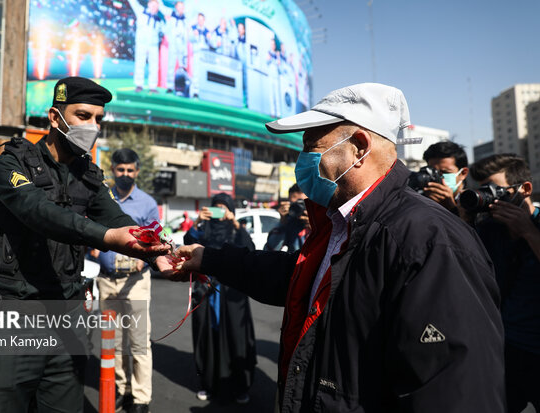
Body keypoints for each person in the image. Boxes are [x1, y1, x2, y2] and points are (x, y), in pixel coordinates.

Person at [175, 83, 505, 412]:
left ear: (359, 147)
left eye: (312, 147)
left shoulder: (428, 239)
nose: (303, 161)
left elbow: (456, 391)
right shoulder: (340, 222)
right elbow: (296, 277)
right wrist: (208, 258)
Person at [0, 77, 170, 413]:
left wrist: (154, 250)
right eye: (83, 115)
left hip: (66, 316)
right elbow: (39, 212)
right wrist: (106, 238)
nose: (92, 126)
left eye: (98, 119)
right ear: (54, 117)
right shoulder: (12, 162)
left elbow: (116, 219)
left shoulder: (89, 175)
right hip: (10, 313)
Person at [469, 154, 540, 413]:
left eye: (495, 189)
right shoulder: (489, 230)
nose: (490, 197)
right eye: (483, 190)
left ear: (524, 189)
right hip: (505, 349)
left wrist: (529, 231)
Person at [92, 148, 159, 413]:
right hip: (107, 281)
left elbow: (157, 238)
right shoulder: (103, 199)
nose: (125, 174)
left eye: (130, 170)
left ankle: (141, 398)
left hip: (136, 282)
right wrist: (93, 247)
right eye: (121, 170)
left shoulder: (147, 203)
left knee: (140, 342)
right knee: (114, 342)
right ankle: (119, 389)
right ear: (113, 169)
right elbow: (91, 229)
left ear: (137, 171)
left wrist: (146, 255)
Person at [183, 193, 257, 405]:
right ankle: (208, 383)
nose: (219, 212)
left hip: (232, 294)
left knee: (236, 337)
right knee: (206, 337)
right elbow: (188, 245)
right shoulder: (203, 229)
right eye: (216, 207)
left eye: (224, 207)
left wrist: (235, 223)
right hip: (205, 292)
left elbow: (250, 250)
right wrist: (198, 222)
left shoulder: (236, 230)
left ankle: (241, 386)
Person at [421, 141, 469, 217]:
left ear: (463, 173)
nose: (437, 176)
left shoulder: (473, 202)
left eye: (444, 172)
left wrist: (452, 208)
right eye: (433, 172)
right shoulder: (423, 198)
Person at [130, 0, 165, 92]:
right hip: (141, 43)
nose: (154, 7)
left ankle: (153, 87)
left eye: (156, 6)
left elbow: (165, 31)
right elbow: (133, 2)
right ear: (149, 4)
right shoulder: (141, 11)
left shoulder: (159, 20)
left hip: (153, 45)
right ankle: (139, 85)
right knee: (140, 64)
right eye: (153, 5)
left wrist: (168, 20)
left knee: (154, 66)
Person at [265, 184, 310, 252]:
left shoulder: (321, 222)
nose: (299, 208)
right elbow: (270, 250)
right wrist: (282, 222)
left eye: (302, 203)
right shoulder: (289, 222)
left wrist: (314, 227)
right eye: (295, 204)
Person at [165, 1, 188, 94]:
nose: (181, 9)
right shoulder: (171, 16)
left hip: (182, 44)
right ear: (176, 8)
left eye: (182, 7)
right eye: (179, 7)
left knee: (182, 66)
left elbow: (186, 33)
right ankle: (170, 86)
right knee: (171, 64)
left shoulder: (185, 19)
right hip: (173, 43)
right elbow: (167, 30)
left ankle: (182, 86)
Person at [189, 12, 211, 98]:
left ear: (204, 20)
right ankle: (195, 91)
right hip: (197, 52)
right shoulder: (193, 28)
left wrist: (209, 38)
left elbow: (212, 43)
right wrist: (194, 35)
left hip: (205, 54)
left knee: (203, 73)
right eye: (199, 19)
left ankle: (203, 91)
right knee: (196, 72)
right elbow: (190, 39)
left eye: (201, 19)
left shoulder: (207, 31)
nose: (200, 21)